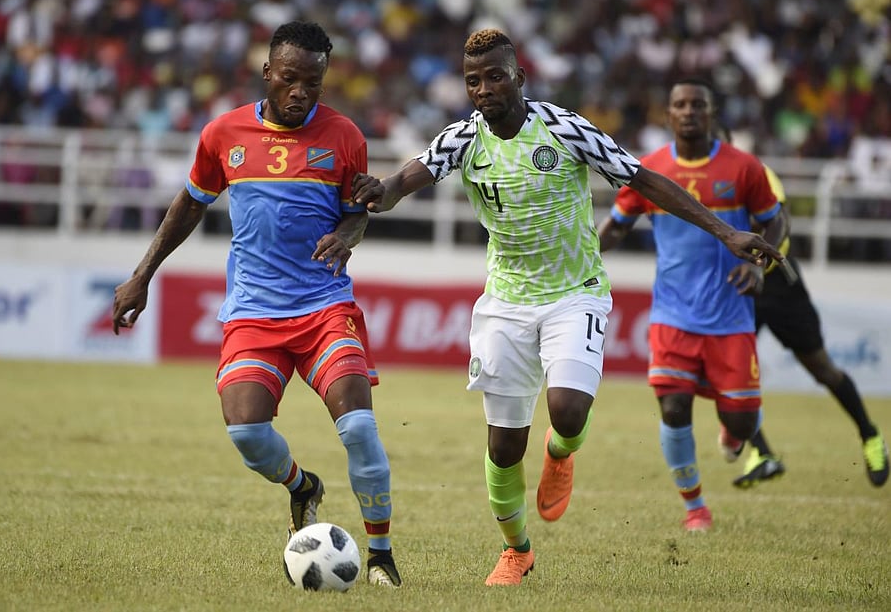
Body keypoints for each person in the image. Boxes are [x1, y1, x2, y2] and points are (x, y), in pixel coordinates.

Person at [351, 30, 782, 586]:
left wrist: (726, 231)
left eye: (495, 76)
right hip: (505, 304)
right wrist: (377, 192)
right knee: (504, 446)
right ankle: (517, 550)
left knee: (569, 411)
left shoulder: (564, 129)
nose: (483, 89)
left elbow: (646, 180)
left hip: (574, 292)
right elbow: (405, 180)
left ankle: (561, 453)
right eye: (472, 80)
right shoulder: (461, 139)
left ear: (519, 77)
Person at [111, 21, 401, 588]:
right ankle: (302, 487)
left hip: (323, 306)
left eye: (312, 84)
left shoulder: (344, 136)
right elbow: (189, 206)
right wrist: (142, 275)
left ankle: (381, 555)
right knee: (246, 433)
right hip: (253, 312)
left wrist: (350, 232)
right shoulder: (224, 134)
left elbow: (359, 208)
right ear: (268, 72)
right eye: (290, 79)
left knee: (360, 427)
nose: (300, 92)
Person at [597, 78, 787, 533]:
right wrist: (581, 255)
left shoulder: (744, 168)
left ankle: (733, 430)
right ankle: (695, 508)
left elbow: (775, 220)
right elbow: (618, 225)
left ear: (711, 112)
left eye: (697, 104)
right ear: (668, 114)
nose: (688, 111)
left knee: (741, 422)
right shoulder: (649, 170)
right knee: (674, 408)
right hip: (672, 313)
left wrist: (761, 268)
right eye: (679, 104)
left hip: (730, 315)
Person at [722, 142, 889, 489]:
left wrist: (758, 262)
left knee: (821, 367)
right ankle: (763, 454)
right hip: (734, 286)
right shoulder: (700, 176)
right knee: (725, 371)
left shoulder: (758, 172)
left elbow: (778, 223)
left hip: (778, 284)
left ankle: (870, 435)